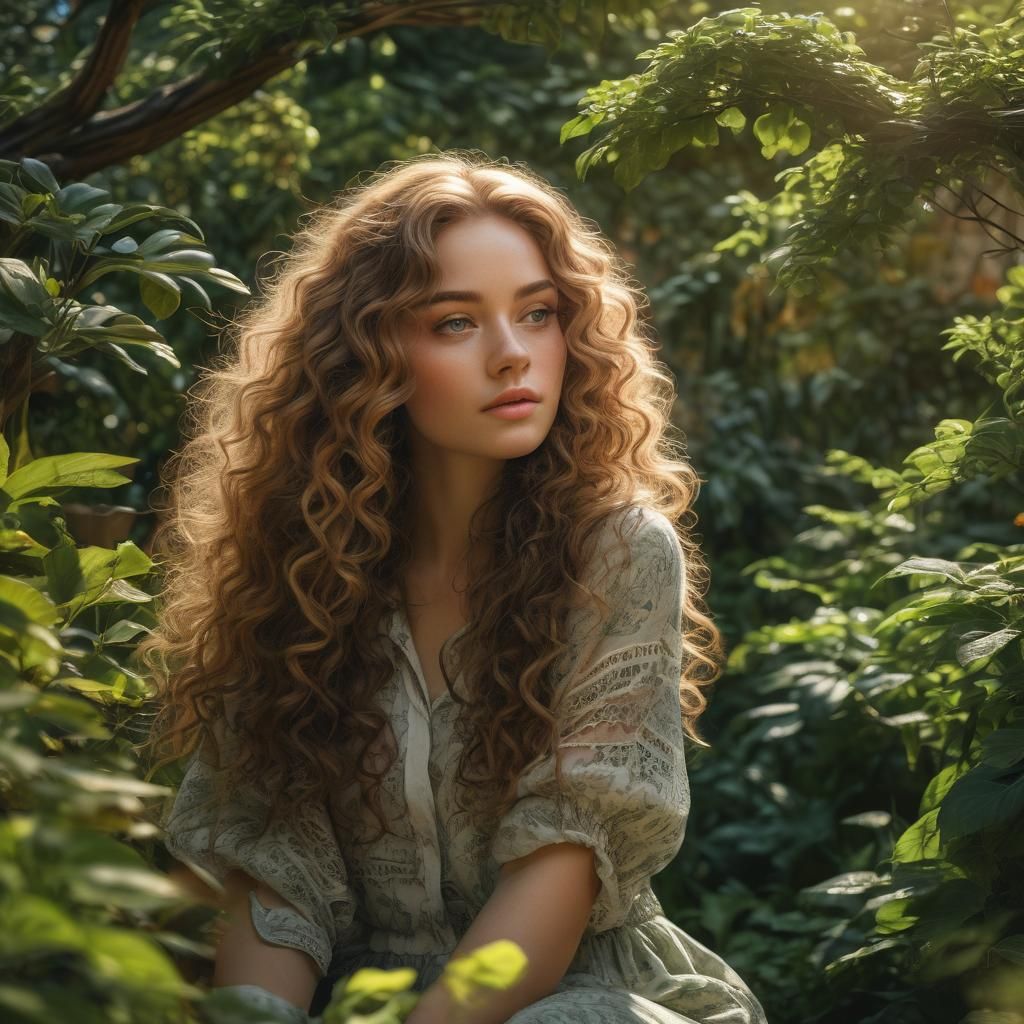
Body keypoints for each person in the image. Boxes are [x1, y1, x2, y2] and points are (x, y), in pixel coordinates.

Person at [139, 150, 768, 1024]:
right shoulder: (295, 564)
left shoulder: (618, 551)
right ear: (364, 356)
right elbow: (271, 863)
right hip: (356, 998)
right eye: (455, 323)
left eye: (539, 313)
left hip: (573, 994)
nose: (514, 355)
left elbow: (564, 866)